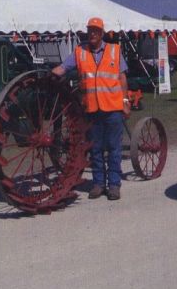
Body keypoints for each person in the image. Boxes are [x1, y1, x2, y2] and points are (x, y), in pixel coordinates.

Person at [52, 17, 130, 200]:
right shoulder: (79, 52)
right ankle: (98, 184)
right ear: (87, 32)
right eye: (90, 30)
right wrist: (48, 75)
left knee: (113, 148)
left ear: (102, 33)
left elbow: (122, 78)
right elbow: (63, 68)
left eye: (96, 30)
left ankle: (114, 185)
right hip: (91, 110)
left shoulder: (114, 51)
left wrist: (125, 101)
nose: (93, 33)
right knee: (95, 148)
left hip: (112, 109)